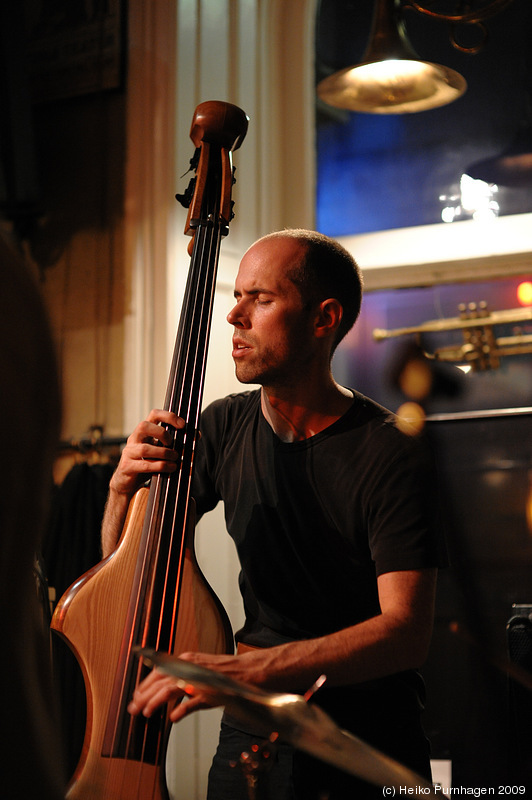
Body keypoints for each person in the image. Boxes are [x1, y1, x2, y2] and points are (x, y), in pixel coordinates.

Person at [101, 229, 443, 799]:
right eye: (237, 296)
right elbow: (127, 576)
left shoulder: (392, 450)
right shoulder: (221, 427)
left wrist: (251, 669)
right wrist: (120, 494)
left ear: (323, 318)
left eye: (261, 299)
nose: (234, 316)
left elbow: (406, 633)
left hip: (366, 736)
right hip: (251, 737)